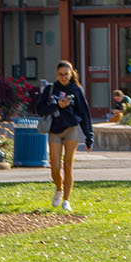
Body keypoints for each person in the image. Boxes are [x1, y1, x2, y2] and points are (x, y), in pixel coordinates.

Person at [33, 61, 93, 212]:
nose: (64, 77)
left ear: (72, 73)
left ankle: (66, 200)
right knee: (55, 167)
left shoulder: (77, 90)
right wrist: (57, 105)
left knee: (68, 165)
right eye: (61, 74)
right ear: (56, 74)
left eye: (67, 74)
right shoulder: (50, 89)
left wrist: (88, 136)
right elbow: (39, 109)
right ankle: (59, 188)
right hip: (54, 130)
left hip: (71, 129)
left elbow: (85, 113)